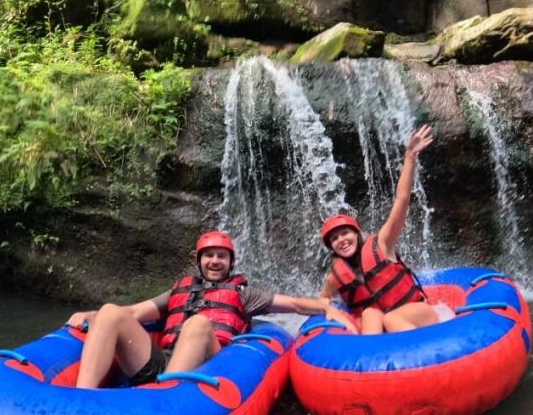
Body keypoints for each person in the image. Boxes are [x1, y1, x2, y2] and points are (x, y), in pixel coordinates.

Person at [66, 230, 356, 388]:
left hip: (208, 363)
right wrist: (95, 315)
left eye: (221, 256)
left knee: (198, 324)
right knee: (110, 310)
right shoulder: (178, 291)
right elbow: (130, 313)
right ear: (199, 260)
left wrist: (323, 306)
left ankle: (167, 398)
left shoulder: (244, 294)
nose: (215, 261)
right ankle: (80, 400)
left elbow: (291, 303)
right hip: (162, 362)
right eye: (209, 256)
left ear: (230, 262)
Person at [318, 124, 438, 334]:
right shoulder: (335, 277)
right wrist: (331, 311)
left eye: (345, 233)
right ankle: (370, 360)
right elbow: (322, 299)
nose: (341, 240)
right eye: (335, 238)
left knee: (391, 318)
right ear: (331, 247)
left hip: (420, 315)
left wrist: (410, 156)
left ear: (356, 234)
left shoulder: (382, 244)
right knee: (369, 313)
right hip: (388, 326)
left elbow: (401, 200)